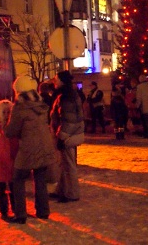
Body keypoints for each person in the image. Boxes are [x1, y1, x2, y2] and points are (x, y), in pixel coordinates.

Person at [5, 76, 57, 222]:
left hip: (28, 149)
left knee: (18, 179)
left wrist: (4, 123)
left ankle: (20, 214)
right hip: (45, 147)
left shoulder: (20, 107)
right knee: (40, 179)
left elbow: (11, 132)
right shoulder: (40, 105)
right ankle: (43, 211)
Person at [50, 71, 85, 203]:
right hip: (70, 133)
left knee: (69, 165)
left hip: (67, 136)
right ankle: (62, 190)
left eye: (56, 79)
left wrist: (62, 137)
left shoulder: (66, 96)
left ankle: (71, 193)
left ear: (62, 81)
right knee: (64, 164)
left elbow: (69, 120)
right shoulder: (69, 94)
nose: (55, 81)